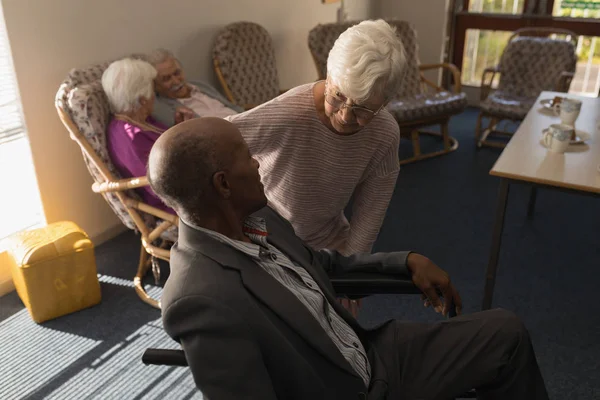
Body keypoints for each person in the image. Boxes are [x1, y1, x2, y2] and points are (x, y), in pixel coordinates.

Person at [147, 117, 549, 400]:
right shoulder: (198, 299)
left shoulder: (257, 216)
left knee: (506, 333)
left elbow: (324, 269)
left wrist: (406, 263)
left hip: (371, 353)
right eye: (245, 155)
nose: (255, 162)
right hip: (351, 388)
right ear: (223, 184)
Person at [226, 20, 404, 257]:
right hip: (265, 233)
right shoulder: (290, 112)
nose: (345, 116)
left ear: (385, 103)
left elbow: (370, 215)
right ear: (328, 76)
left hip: (325, 237)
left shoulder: (385, 134)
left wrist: (354, 271)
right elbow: (214, 146)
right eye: (338, 95)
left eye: (362, 108)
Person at [101, 58, 193, 214]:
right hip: (179, 202)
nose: (154, 97)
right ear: (142, 99)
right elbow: (161, 187)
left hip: (188, 179)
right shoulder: (131, 137)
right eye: (152, 90)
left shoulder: (142, 119)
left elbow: (165, 148)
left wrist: (180, 128)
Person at [146, 48, 243, 126]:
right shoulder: (162, 108)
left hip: (243, 124)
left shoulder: (200, 85)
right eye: (166, 79)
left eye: (177, 73)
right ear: (156, 86)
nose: (176, 81)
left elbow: (232, 107)